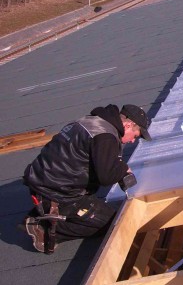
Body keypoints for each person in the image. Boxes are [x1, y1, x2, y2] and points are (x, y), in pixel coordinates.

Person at [21, 104, 151, 253]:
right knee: (112, 223)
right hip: (58, 193)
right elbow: (106, 177)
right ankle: (45, 228)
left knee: (100, 210)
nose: (133, 141)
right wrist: (123, 169)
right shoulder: (106, 136)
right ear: (128, 125)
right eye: (135, 136)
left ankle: (47, 212)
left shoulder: (91, 122)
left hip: (43, 182)